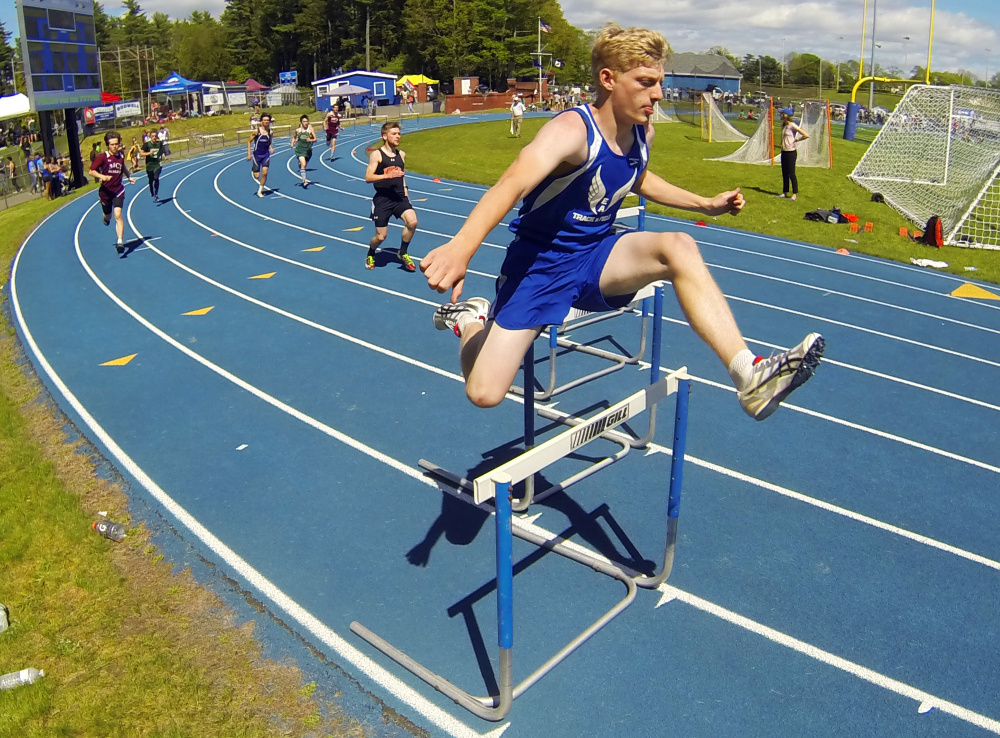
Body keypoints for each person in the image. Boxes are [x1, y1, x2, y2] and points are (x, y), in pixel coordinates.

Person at [420, 22, 824, 421]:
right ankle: (471, 320)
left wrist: (704, 204)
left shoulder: (642, 133)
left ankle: (748, 374)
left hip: (596, 253)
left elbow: (638, 177)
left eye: (660, 82)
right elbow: (510, 185)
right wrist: (462, 247)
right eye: (646, 82)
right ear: (609, 79)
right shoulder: (571, 130)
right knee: (484, 392)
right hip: (540, 267)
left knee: (678, 246)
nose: (659, 94)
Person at [364, 121, 418, 272]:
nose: (398, 136)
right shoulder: (377, 154)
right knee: (381, 237)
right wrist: (386, 176)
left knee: (412, 222)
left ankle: (402, 252)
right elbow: (368, 177)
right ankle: (371, 252)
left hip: (399, 197)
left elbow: (402, 176)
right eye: (394, 134)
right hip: (383, 199)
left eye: (399, 133)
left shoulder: (401, 154)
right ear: (384, 136)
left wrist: (406, 193)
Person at [89, 130, 136, 254]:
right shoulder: (102, 157)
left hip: (118, 190)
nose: (115, 146)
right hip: (105, 192)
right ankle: (105, 217)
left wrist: (129, 176)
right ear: (108, 145)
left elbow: (123, 168)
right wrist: (102, 177)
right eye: (112, 144)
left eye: (116, 144)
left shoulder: (120, 156)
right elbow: (91, 171)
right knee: (108, 216)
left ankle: (120, 241)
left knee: (118, 215)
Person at [778, 109, 808, 201]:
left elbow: (806, 135)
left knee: (791, 173)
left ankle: (795, 194)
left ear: (786, 115)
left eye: (782, 114)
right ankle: (784, 192)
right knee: (784, 173)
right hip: (784, 151)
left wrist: (797, 140)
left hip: (791, 152)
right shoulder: (784, 125)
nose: (781, 115)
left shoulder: (792, 125)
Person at [246, 112, 274, 197]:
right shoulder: (256, 131)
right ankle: (254, 169)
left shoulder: (270, 132)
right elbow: (249, 141)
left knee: (265, 173)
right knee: (256, 176)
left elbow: (268, 142)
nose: (266, 122)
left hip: (265, 155)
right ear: (261, 121)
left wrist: (271, 147)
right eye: (264, 120)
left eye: (267, 120)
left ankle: (260, 191)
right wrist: (249, 154)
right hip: (257, 156)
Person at [291, 114, 317, 187]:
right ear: (301, 122)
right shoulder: (298, 130)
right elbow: (294, 137)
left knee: (304, 165)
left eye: (307, 121)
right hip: (300, 150)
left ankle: (301, 166)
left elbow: (315, 139)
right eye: (304, 121)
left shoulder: (310, 130)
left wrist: (310, 139)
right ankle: (304, 181)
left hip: (308, 150)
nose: (305, 123)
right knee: (304, 164)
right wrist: (292, 143)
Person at [139, 129, 164, 202]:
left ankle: (156, 194)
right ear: (150, 137)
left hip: (157, 164)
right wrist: (149, 153)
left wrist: (163, 154)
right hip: (149, 165)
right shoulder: (147, 144)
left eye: (155, 136)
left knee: (156, 178)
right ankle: (151, 189)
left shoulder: (159, 143)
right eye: (152, 136)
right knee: (151, 180)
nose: (154, 137)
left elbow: (162, 150)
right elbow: (141, 154)